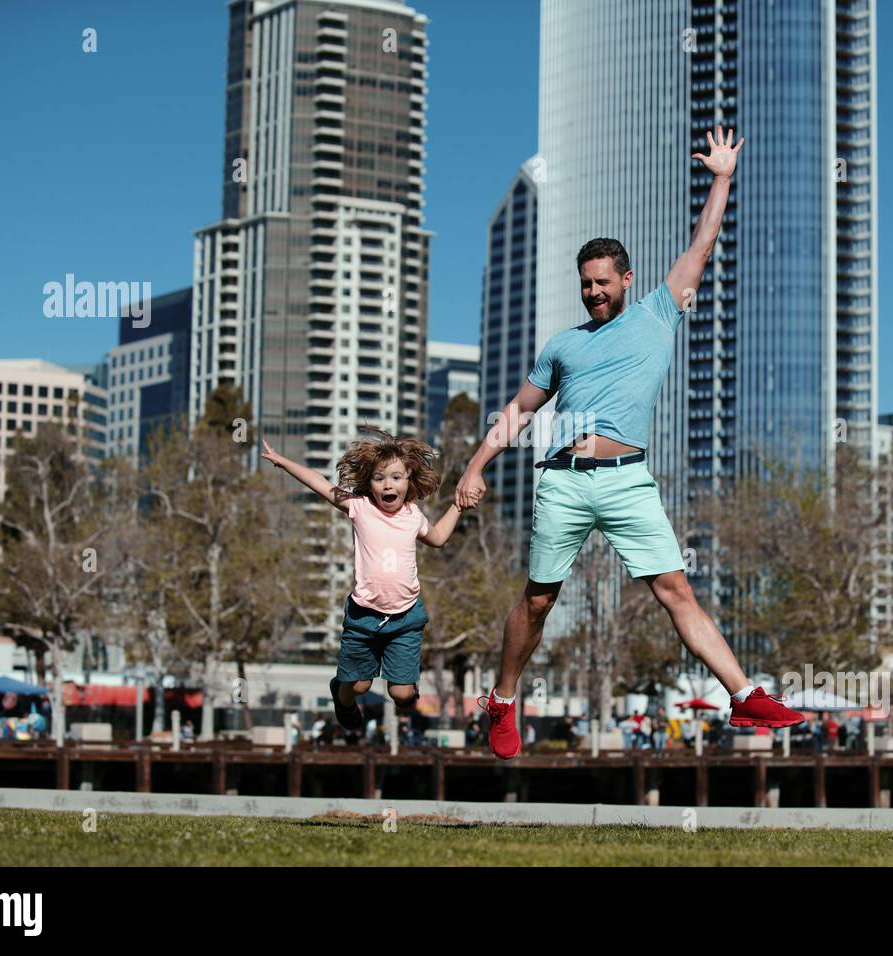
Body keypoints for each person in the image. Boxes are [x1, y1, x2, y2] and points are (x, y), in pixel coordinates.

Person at [454, 128, 805, 759]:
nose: (592, 292)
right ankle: (504, 698)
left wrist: (722, 177)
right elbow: (519, 411)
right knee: (538, 600)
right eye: (585, 283)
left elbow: (703, 242)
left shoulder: (659, 312)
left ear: (627, 278)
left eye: (602, 282)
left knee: (677, 593)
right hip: (563, 479)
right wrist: (476, 466)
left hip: (627, 480)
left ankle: (744, 695)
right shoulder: (561, 344)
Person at [261, 432, 467, 732]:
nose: (388, 484)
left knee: (402, 694)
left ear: (409, 479)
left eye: (396, 477)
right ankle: (341, 697)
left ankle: (403, 687)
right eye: (379, 478)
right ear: (369, 483)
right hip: (363, 617)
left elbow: (437, 537)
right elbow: (320, 483)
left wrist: (459, 506)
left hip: (405, 617)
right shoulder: (360, 507)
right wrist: (283, 462)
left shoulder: (413, 515)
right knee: (357, 687)